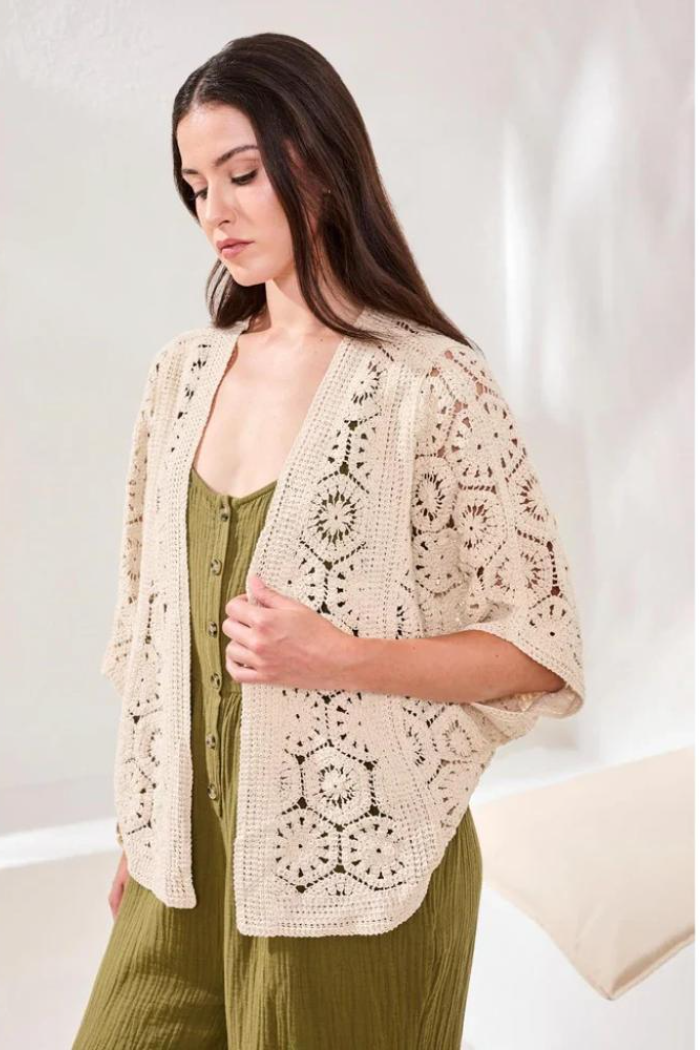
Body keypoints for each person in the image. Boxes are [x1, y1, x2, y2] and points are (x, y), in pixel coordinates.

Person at [73, 31, 584, 1050]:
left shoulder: (429, 385)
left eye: (241, 174)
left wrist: (340, 657)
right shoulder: (180, 379)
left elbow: (538, 649)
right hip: (180, 878)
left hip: (358, 878)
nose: (216, 212)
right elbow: (150, 636)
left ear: (314, 161)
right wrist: (147, 820)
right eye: (195, 186)